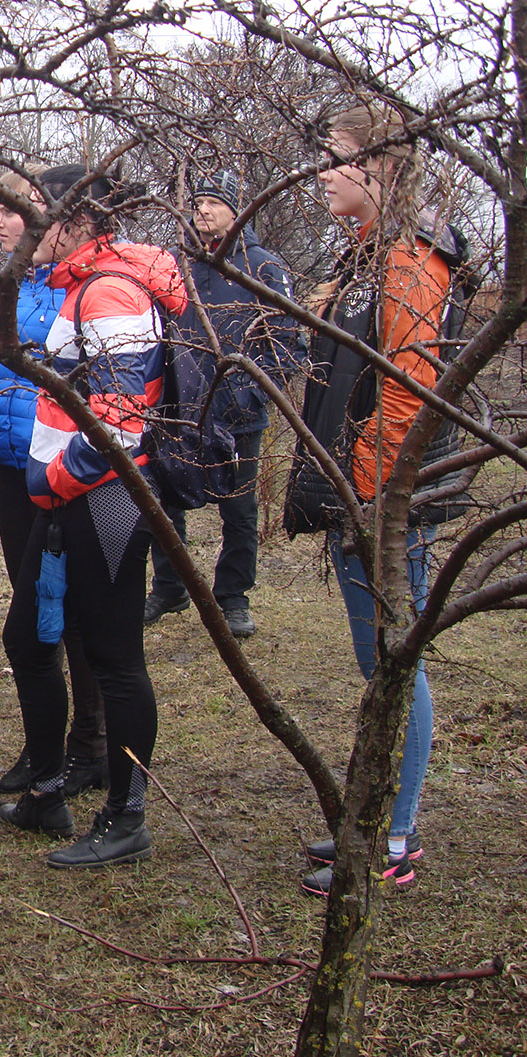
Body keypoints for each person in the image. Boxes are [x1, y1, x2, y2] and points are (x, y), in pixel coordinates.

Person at [284, 102, 466, 897]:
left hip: (386, 500)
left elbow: (408, 400)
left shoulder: (409, 262)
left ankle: (393, 833)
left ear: (384, 164)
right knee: (380, 658)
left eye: (337, 157)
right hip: (364, 493)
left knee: (394, 660)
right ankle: (375, 817)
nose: (323, 173)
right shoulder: (364, 256)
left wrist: (366, 501)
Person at [0, 164, 183, 869]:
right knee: (28, 636)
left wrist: (54, 477)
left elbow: (121, 427)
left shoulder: (109, 292)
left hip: (103, 502)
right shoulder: (78, 285)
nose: (12, 221)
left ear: (74, 219)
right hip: (65, 498)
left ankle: (126, 815)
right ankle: (47, 790)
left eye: (31, 209)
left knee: (115, 661)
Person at [0, 167, 107, 801]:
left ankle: (89, 747)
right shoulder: (15, 285)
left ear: (63, 218)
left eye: (12, 208)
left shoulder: (97, 288)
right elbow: (2, 372)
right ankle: (44, 745)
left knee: (66, 615)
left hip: (68, 475)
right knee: (36, 610)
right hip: (13, 469)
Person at [142, 170, 303, 638]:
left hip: (237, 417)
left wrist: (242, 395)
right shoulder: (178, 265)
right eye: (198, 201)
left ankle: (233, 597)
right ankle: (170, 587)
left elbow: (288, 348)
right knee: (164, 501)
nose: (203, 210)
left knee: (239, 510)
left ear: (238, 210)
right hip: (177, 412)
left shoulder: (262, 268)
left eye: (214, 202)